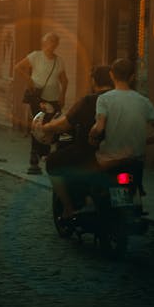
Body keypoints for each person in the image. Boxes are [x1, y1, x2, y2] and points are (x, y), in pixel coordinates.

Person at [37, 65, 114, 220]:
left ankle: (68, 208)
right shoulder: (122, 100)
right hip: (120, 153)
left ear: (94, 81)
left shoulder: (89, 101)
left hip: (89, 154)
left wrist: (45, 127)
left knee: (52, 162)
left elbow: (64, 124)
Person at [88, 58, 154, 188]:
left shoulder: (104, 99)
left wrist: (91, 134)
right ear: (132, 77)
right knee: (135, 190)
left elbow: (99, 127)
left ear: (111, 75)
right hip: (135, 161)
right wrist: (143, 141)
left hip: (110, 160)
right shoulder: (143, 101)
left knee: (94, 182)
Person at [14, 32, 68, 158]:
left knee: (51, 125)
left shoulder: (59, 61)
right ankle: (36, 153)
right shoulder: (36, 56)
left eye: (55, 42)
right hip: (38, 98)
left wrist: (62, 96)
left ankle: (46, 152)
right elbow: (18, 67)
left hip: (54, 98)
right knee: (37, 125)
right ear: (44, 43)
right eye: (50, 41)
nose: (53, 45)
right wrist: (29, 80)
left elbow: (64, 80)